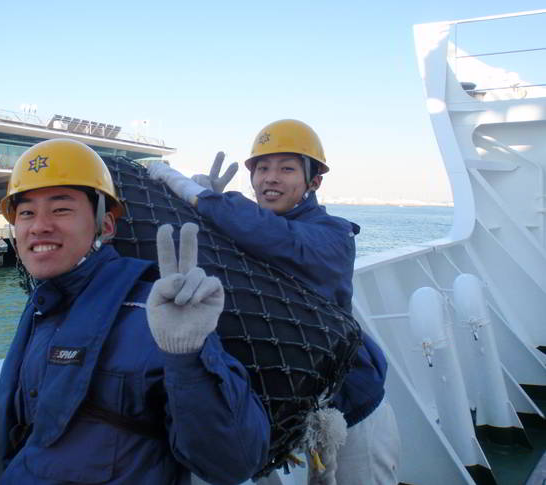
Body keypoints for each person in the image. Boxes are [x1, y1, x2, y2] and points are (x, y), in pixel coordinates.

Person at [0, 138, 270, 484]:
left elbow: (234, 462)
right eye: (26, 213)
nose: (39, 226)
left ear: (106, 225)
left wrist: (187, 356)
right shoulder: (43, 308)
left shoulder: (156, 315)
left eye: (61, 209)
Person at [149, 119, 400, 485]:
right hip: (289, 412)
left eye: (286, 169)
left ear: (314, 181)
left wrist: (200, 197)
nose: (270, 179)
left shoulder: (334, 236)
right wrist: (203, 212)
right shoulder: (239, 228)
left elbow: (275, 238)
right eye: (262, 168)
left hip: (352, 405)